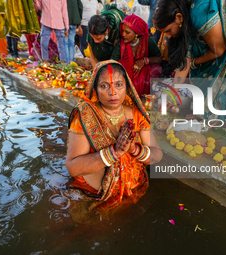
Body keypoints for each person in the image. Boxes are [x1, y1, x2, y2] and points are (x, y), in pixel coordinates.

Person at [64, 60, 162, 219]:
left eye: (118, 85)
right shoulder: (86, 117)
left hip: (134, 189)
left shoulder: (137, 114)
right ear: (95, 89)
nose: (112, 92)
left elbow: (157, 155)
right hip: (93, 195)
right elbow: (73, 167)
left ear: (127, 86)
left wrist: (134, 149)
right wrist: (115, 152)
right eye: (104, 86)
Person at [119, 15, 162, 97]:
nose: (123, 34)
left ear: (136, 34)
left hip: (143, 75)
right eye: (123, 31)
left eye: (127, 32)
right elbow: (113, 60)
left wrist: (144, 61)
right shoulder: (121, 42)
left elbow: (160, 58)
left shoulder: (148, 41)